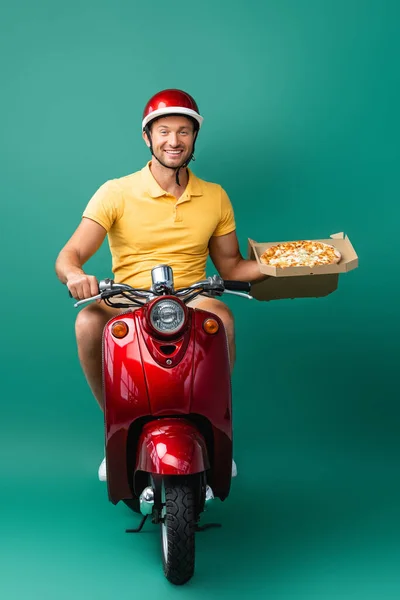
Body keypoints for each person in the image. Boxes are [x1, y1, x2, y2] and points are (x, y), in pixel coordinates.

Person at [55, 89, 266, 481]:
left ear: (194, 139)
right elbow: (69, 256)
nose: (174, 141)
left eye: (184, 131)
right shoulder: (115, 191)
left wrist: (281, 266)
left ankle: (215, 434)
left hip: (192, 294)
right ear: (147, 137)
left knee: (224, 321)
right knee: (86, 324)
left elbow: (232, 265)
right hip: (128, 296)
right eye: (164, 131)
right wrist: (75, 276)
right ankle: (117, 432)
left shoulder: (215, 196)